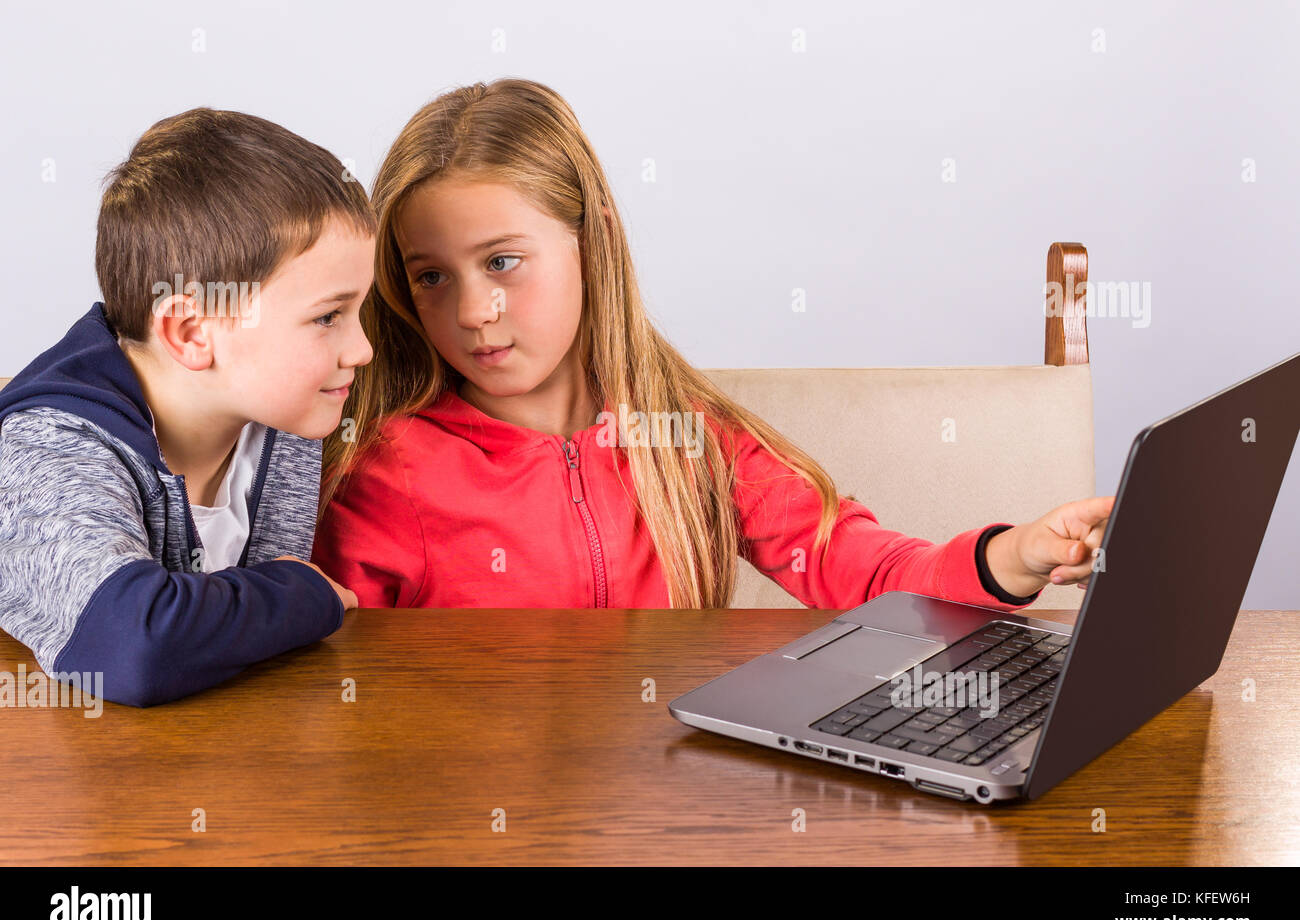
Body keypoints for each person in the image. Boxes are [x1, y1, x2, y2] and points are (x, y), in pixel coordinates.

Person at [313, 79, 1112, 610]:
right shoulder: (385, 471)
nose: (475, 311)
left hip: (670, 808)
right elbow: (344, 685)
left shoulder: (685, 436)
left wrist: (1010, 557)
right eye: (431, 277)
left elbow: (855, 565)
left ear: (592, 244)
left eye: (503, 262)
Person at [0, 108, 373, 706]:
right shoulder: (48, 447)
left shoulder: (280, 414)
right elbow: (133, 646)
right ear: (192, 334)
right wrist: (305, 594)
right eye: (328, 317)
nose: (362, 348)